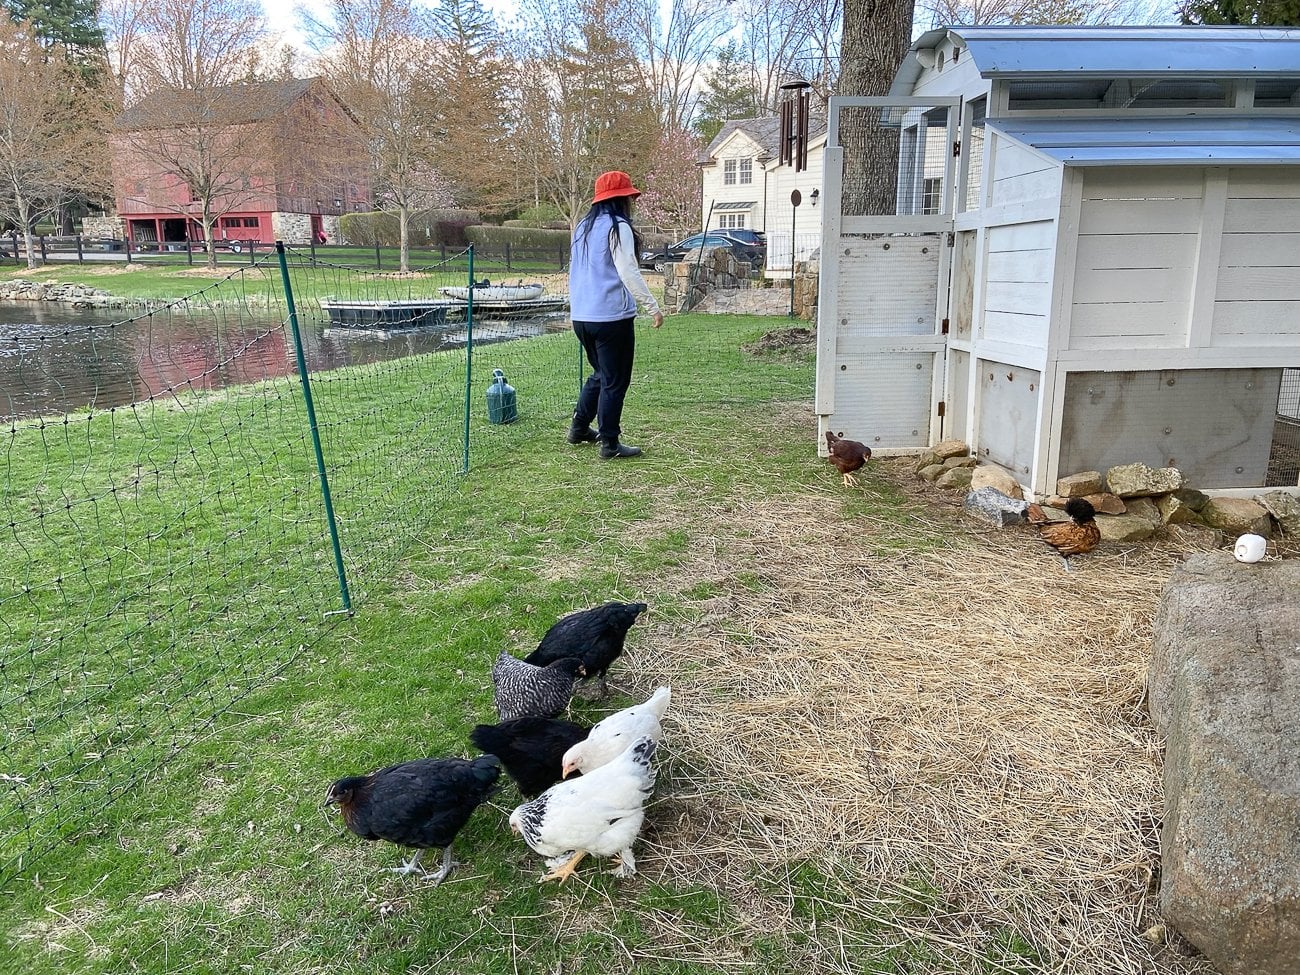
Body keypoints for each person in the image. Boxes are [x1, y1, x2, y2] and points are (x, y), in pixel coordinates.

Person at [566, 170, 664, 460]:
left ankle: (580, 427)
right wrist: (652, 306)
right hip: (610, 318)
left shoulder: (582, 227)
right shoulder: (617, 226)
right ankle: (609, 443)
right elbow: (628, 271)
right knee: (615, 380)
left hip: (582, 316)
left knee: (600, 373)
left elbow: (574, 271)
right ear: (622, 200)